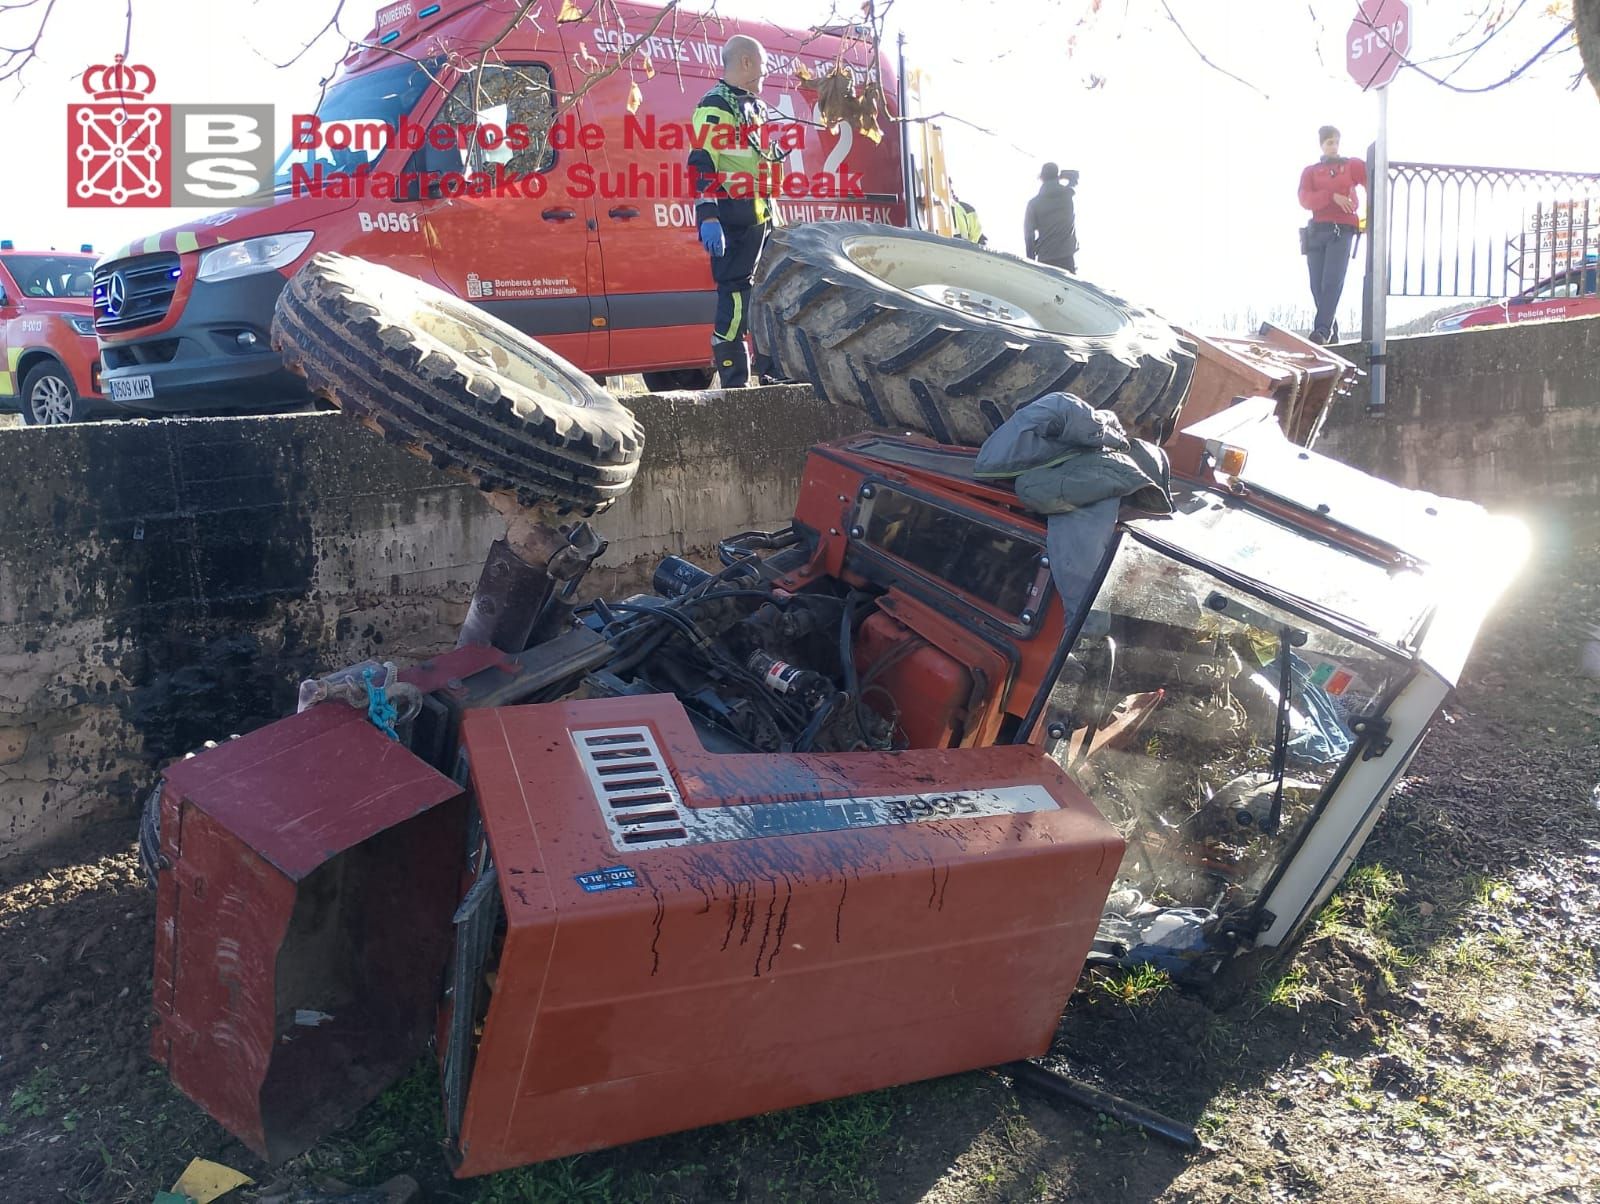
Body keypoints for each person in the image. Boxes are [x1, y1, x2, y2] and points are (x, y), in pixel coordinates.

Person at [687, 35, 788, 388]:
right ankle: (734, 382)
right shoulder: (715, 104)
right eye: (762, 63)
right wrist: (709, 216)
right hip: (732, 220)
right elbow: (702, 163)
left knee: (765, 298)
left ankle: (775, 376)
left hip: (760, 217)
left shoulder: (754, 106)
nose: (766, 72)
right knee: (734, 297)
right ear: (746, 62)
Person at [1297, 125, 1368, 345]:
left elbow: (1372, 181)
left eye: (1336, 142)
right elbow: (1304, 198)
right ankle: (1331, 331)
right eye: (1329, 142)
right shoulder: (1311, 171)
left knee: (1332, 281)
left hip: (1342, 230)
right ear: (1322, 145)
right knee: (1316, 285)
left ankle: (1321, 330)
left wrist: (1369, 214)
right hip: (1317, 231)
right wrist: (1331, 196)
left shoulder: (1350, 165)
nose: (1334, 146)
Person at [1024, 163, 1078, 272]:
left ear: (1042, 178)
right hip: (1067, 256)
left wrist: (1031, 261)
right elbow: (1075, 176)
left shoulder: (1034, 204)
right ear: (1057, 177)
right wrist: (1062, 175)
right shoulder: (1067, 195)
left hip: (1046, 257)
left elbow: (1029, 235)